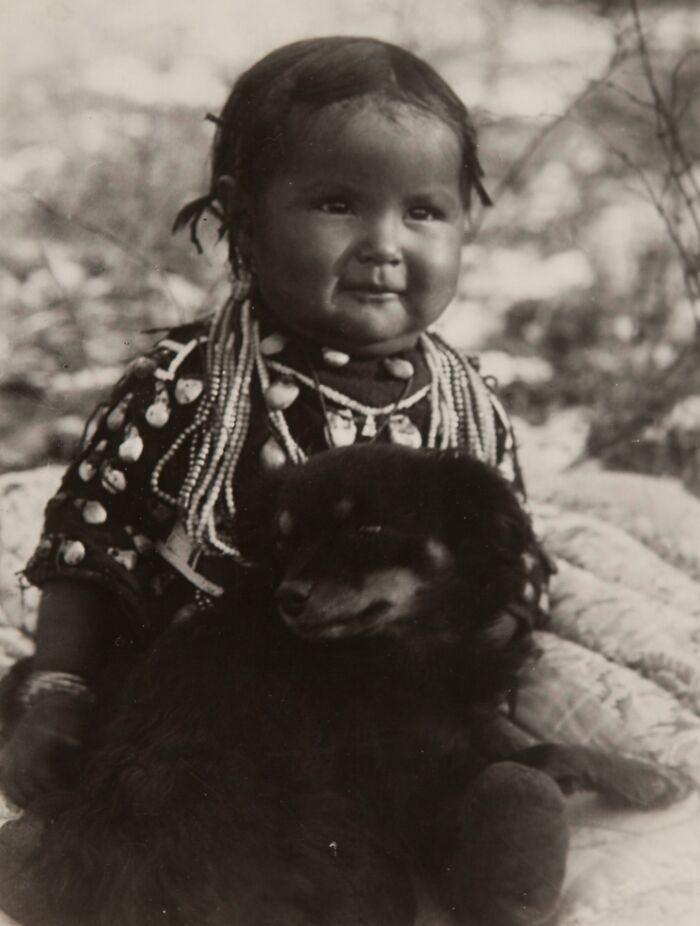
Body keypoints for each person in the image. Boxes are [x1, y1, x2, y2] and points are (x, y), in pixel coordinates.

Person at [0, 36, 552, 813]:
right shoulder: (186, 386)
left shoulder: (464, 404)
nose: (384, 246)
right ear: (243, 217)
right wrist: (59, 688)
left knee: (455, 773)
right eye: (339, 204)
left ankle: (495, 839)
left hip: (392, 703)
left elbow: (503, 550)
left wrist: (492, 656)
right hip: (198, 700)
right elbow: (89, 544)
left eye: (424, 212)